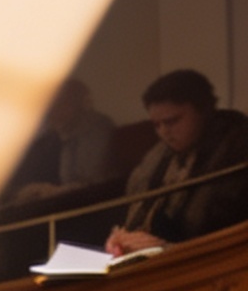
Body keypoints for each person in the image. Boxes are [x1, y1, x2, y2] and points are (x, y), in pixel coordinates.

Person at [106, 69, 248, 257]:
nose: (164, 132)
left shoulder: (236, 149)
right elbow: (137, 218)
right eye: (156, 125)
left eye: (172, 121)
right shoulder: (159, 156)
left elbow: (224, 235)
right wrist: (124, 239)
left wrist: (165, 248)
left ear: (203, 110)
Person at [3, 77, 117, 204]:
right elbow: (17, 183)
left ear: (78, 104)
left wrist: (55, 192)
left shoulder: (97, 127)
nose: (53, 110)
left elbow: (92, 181)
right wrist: (26, 191)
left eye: (62, 103)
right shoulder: (48, 141)